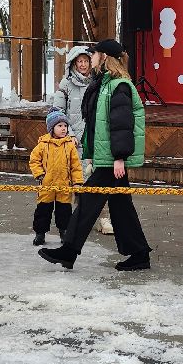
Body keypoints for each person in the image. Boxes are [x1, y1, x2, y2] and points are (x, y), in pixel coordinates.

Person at [38, 38, 152, 272]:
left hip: (113, 159)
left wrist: (119, 157)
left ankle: (69, 250)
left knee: (89, 198)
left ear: (105, 58)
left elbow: (121, 124)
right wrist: (92, 153)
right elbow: (96, 123)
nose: (91, 58)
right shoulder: (105, 83)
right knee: (121, 206)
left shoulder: (119, 85)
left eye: (95, 54)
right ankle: (139, 254)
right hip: (108, 157)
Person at [51, 44, 112, 236]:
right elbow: (57, 112)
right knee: (74, 181)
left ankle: (103, 219)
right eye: (80, 61)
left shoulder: (99, 82)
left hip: (94, 138)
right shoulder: (65, 85)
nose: (83, 65)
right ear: (73, 64)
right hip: (73, 140)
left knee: (97, 180)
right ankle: (73, 221)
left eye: (86, 61)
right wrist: (67, 134)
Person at [30, 109, 83, 246]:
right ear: (52, 128)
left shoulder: (69, 146)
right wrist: (40, 174)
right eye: (60, 126)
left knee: (64, 211)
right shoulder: (43, 144)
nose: (63, 129)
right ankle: (40, 234)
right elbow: (34, 160)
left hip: (64, 186)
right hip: (46, 185)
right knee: (43, 211)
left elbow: (75, 166)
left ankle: (64, 232)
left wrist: (77, 182)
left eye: (65, 126)